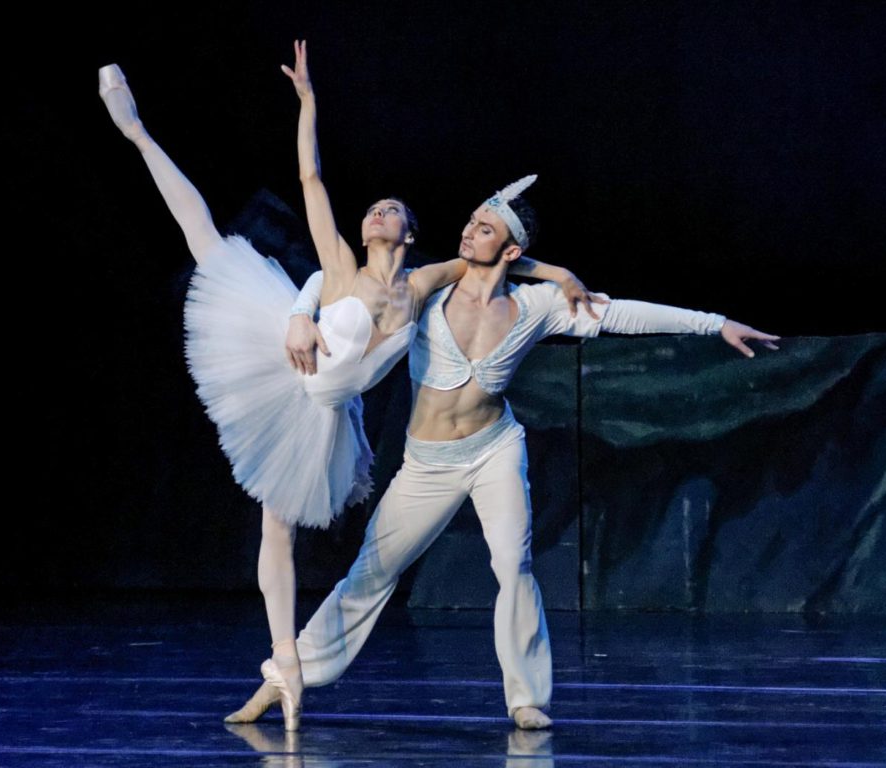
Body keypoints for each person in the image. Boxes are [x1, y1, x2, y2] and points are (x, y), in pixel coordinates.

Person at [99, 41, 597, 732]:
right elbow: (310, 178)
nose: (374, 214)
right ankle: (135, 131)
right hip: (282, 366)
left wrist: (555, 275)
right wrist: (308, 105)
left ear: (409, 230)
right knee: (206, 240)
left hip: (325, 414)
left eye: (388, 210)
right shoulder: (336, 264)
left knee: (280, 533)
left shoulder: (425, 283)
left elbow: (495, 257)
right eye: (371, 210)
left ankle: (288, 674)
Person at [229, 177, 781, 730]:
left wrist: (716, 324)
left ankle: (525, 698)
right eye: (469, 222)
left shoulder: (538, 306)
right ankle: (284, 676)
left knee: (514, 565)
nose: (468, 231)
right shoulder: (428, 292)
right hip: (427, 463)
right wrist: (301, 311)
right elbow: (335, 282)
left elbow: (621, 314)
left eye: (484, 228)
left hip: (495, 449)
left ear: (511, 250)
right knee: (372, 573)